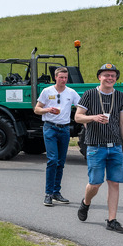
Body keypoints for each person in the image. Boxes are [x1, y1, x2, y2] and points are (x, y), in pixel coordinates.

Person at [74, 63, 123, 234]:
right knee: (95, 183)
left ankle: (112, 220)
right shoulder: (89, 94)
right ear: (99, 77)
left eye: (113, 75)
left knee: (114, 183)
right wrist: (93, 117)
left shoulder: (121, 96)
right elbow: (78, 117)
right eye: (106, 75)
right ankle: (86, 202)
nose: (109, 78)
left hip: (115, 146)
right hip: (95, 146)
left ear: (116, 78)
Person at [34, 67, 80, 206]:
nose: (63, 80)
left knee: (61, 162)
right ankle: (48, 194)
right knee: (52, 160)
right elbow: (36, 109)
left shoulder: (71, 92)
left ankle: (56, 192)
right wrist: (47, 109)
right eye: (61, 77)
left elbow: (81, 106)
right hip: (50, 128)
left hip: (64, 129)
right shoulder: (47, 91)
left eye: (65, 78)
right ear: (55, 77)